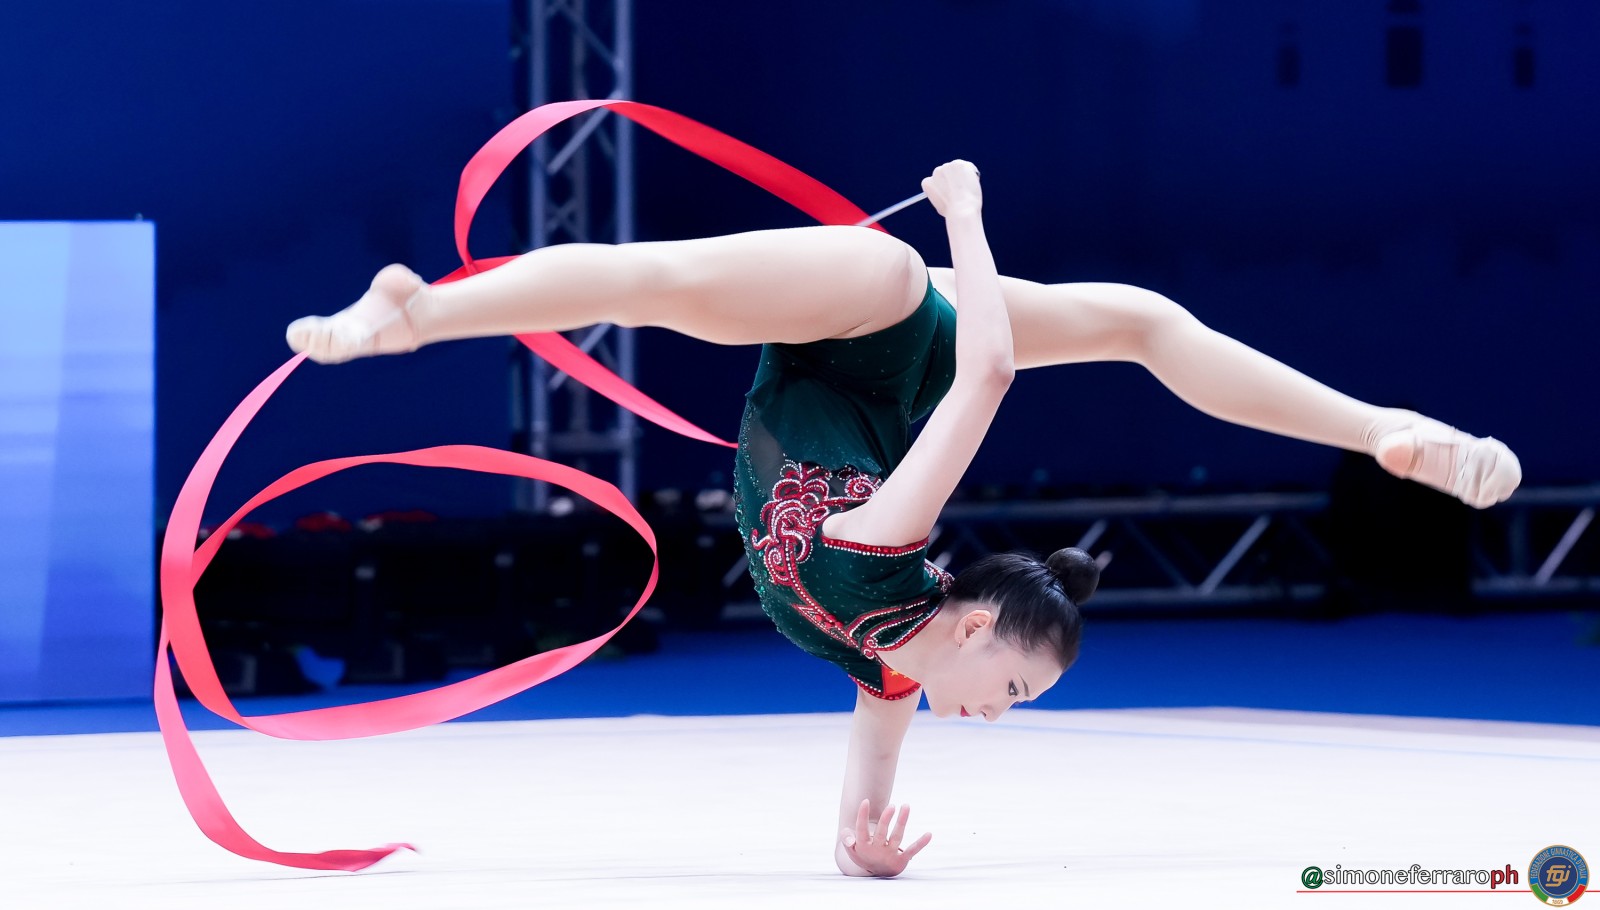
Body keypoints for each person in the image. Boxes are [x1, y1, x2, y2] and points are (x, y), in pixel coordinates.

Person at [286, 161, 1521, 877]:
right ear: (976, 622)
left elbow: (864, 798)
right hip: (887, 316)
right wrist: (964, 216)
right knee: (656, 280)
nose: (1000, 715)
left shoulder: (886, 664)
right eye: (1016, 687)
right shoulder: (887, 554)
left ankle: (1386, 430)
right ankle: (417, 315)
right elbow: (987, 369)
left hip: (848, 375)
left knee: (1145, 323)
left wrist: (858, 852)